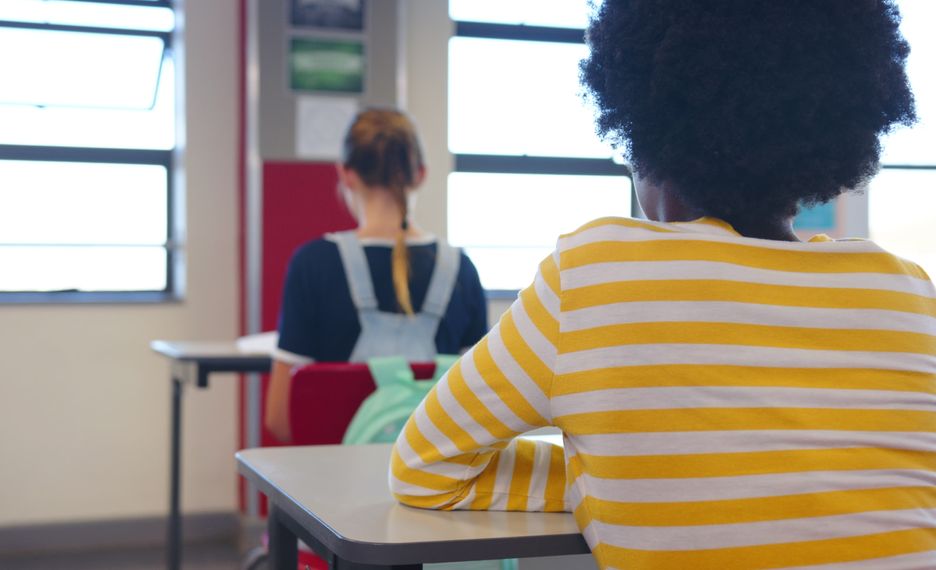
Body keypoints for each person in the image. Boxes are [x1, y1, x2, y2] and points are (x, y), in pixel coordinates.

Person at [389, 1, 936, 569]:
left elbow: (425, 467)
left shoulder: (594, 275)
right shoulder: (910, 296)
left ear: (647, 137)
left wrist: (605, 480)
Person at [264, 108, 487, 443]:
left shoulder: (312, 264)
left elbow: (280, 418)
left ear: (347, 174)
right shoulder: (461, 271)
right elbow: (479, 409)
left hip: (329, 489)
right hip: (431, 488)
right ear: (420, 174)